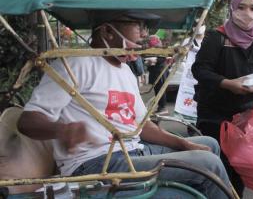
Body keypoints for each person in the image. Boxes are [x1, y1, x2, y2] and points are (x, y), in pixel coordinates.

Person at [16, 10, 231, 199]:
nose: (144, 34)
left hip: (132, 152)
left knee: (210, 144)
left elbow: (143, 126)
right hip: (96, 165)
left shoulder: (125, 70)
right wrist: (63, 130)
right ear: (108, 32)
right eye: (138, 25)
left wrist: (183, 144)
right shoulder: (74, 64)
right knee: (209, 164)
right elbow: (28, 121)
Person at [191, 0, 253, 197]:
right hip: (214, 113)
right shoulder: (217, 36)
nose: (248, 13)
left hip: (247, 114)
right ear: (232, 9)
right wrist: (228, 83)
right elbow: (200, 70)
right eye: (242, 7)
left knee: (240, 166)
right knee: (217, 167)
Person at [146, 34, 169, 115]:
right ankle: (160, 106)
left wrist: (154, 60)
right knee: (157, 90)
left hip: (160, 72)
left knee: (160, 91)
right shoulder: (151, 48)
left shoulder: (160, 49)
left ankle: (162, 107)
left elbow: (162, 59)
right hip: (155, 72)